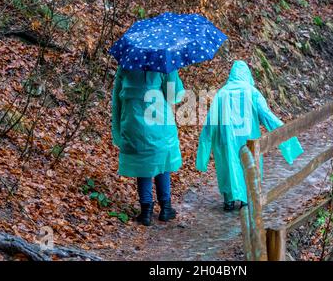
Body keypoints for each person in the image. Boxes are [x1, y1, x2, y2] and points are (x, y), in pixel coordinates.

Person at [196, 60, 303, 211]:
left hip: (225, 140)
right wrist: (287, 134)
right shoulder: (252, 93)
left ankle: (229, 200)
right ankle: (246, 200)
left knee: (227, 166)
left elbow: (209, 125)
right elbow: (267, 116)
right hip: (249, 139)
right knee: (248, 165)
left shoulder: (221, 94)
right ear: (247, 75)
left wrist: (203, 156)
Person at [111, 67, 184, 226]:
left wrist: (117, 128)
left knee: (142, 163)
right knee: (161, 162)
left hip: (132, 123)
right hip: (158, 122)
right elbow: (174, 96)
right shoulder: (163, 64)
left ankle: (146, 212)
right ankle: (165, 208)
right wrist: (173, 71)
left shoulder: (126, 65)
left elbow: (116, 99)